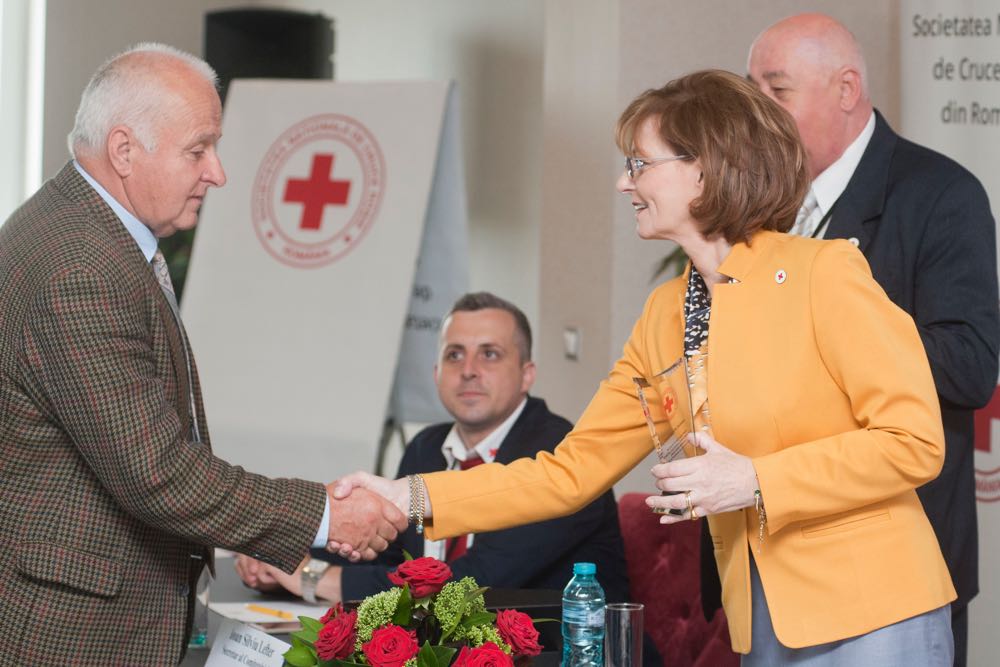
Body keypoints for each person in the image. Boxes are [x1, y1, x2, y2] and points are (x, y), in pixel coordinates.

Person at [333, 70, 958, 665]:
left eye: (640, 164)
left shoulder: (825, 274)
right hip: (765, 614)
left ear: (707, 170)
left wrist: (758, 479)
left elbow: (914, 442)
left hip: (875, 606)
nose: (622, 183)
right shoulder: (666, 310)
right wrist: (406, 495)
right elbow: (569, 473)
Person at [0, 43, 405, 665]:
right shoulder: (80, 267)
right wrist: (324, 516)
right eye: (198, 150)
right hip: (75, 631)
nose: (217, 172)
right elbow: (156, 470)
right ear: (125, 150)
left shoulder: (75, 226)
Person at [742, 15, 999, 665]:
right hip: (772, 561)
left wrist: (836, 338)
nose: (754, 115)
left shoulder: (941, 194)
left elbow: (970, 366)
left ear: (846, 89)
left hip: (892, 578)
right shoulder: (758, 204)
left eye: (776, 92)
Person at [235, 292, 628, 605]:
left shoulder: (561, 455)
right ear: (436, 374)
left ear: (527, 375)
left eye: (489, 354)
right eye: (454, 354)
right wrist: (281, 557)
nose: (469, 369)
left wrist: (310, 578)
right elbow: (389, 555)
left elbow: (473, 586)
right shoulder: (427, 446)